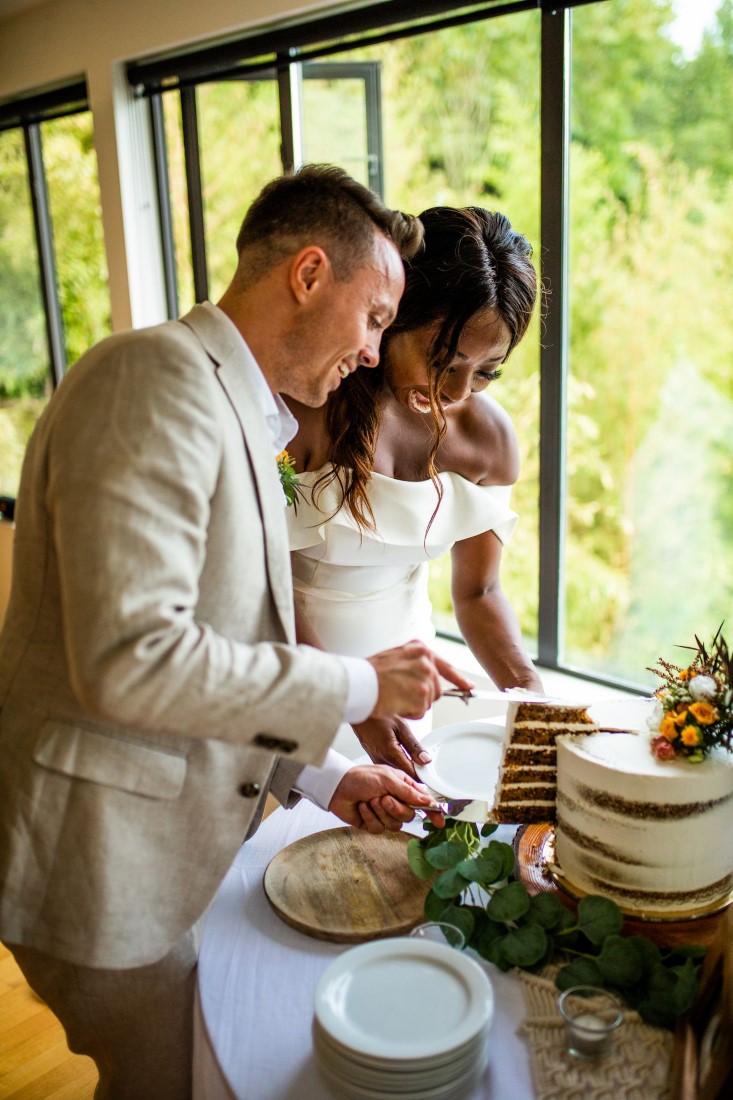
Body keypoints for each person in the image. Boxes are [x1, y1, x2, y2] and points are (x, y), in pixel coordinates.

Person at [0, 166, 471, 1099]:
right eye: (375, 317)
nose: (376, 355)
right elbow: (133, 662)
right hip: (103, 868)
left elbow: (213, 656)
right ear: (307, 273)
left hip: (173, 843)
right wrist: (363, 688)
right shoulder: (151, 377)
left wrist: (325, 776)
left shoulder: (245, 415)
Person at [286, 205, 543, 774]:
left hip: (407, 701)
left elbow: (478, 595)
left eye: (486, 371)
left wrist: (532, 698)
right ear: (395, 315)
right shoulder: (309, 413)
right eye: (444, 360)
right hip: (294, 689)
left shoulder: (488, 439)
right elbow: (258, 587)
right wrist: (351, 696)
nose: (458, 390)